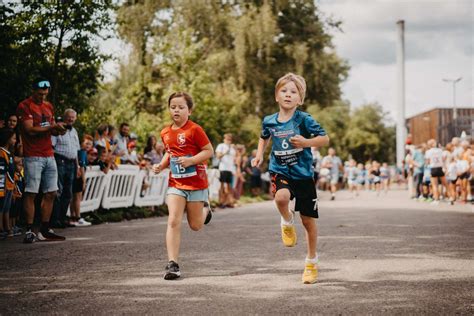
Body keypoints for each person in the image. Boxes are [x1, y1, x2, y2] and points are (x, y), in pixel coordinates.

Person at [251, 73, 329, 284]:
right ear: (277, 95)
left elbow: (324, 138)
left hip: (303, 174)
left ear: (299, 99)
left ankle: (311, 262)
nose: (288, 94)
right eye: (284, 91)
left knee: (308, 220)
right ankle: (286, 220)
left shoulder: (304, 120)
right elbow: (264, 137)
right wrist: (259, 154)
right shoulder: (269, 120)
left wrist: (306, 142)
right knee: (281, 198)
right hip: (280, 169)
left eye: (293, 92)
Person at [152, 92, 214, 280]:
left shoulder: (195, 130)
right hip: (176, 183)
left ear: (189, 110)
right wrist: (161, 166)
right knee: (173, 220)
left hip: (196, 183)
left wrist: (191, 160)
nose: (176, 110)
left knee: (195, 225)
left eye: (181, 107)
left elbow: (208, 151)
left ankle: (206, 211)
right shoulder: (165, 132)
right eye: (173, 107)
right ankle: (173, 264)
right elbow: (170, 153)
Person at [17, 78, 67, 243]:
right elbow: (29, 130)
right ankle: (30, 230)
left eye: (45, 94)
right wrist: (51, 128)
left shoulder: (48, 106)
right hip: (33, 155)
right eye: (39, 94)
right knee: (31, 192)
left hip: (49, 154)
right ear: (33, 90)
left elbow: (50, 129)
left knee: (51, 192)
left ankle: (45, 229)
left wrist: (58, 130)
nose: (42, 96)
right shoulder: (25, 106)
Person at [51, 109, 81, 228]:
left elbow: (76, 150)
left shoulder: (74, 131)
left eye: (73, 117)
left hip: (72, 163)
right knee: (58, 191)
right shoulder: (57, 129)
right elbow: (52, 147)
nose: (71, 119)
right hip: (60, 161)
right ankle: (55, 219)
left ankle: (63, 218)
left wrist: (78, 166)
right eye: (69, 117)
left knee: (68, 192)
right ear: (64, 117)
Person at [69, 134, 93, 227]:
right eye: (86, 143)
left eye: (90, 144)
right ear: (81, 143)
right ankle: (78, 217)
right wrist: (84, 181)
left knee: (73, 197)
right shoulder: (82, 152)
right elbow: (82, 167)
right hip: (79, 177)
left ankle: (72, 217)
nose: (88, 146)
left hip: (74, 175)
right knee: (78, 197)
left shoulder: (80, 152)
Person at [0, 128, 16, 239]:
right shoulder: (2, 153)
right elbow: (2, 172)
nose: (15, 140)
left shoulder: (9, 153)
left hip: (10, 185)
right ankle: (1, 229)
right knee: (1, 208)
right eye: (14, 138)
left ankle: (7, 227)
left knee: (7, 208)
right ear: (7, 139)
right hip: (4, 186)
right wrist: (3, 187)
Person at [215, 133, 236, 208]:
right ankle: (220, 202)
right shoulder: (221, 146)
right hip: (223, 168)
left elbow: (234, 159)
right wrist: (226, 151)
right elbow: (218, 156)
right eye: (227, 139)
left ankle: (227, 202)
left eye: (230, 139)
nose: (228, 141)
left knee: (229, 187)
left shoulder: (233, 148)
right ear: (224, 139)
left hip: (230, 169)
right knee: (221, 186)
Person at [424, 139, 446, 205]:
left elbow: (427, 161)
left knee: (434, 185)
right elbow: (443, 158)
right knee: (444, 184)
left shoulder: (428, 152)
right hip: (440, 167)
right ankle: (451, 198)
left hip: (433, 168)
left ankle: (436, 199)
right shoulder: (440, 150)